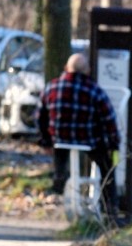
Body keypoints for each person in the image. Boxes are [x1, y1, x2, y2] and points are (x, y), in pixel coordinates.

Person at [38, 53, 121, 222]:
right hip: (88, 141)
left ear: (66, 68)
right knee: (107, 168)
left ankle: (59, 178)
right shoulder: (94, 90)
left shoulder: (51, 87)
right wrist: (114, 143)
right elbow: (109, 119)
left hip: (59, 140)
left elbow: (40, 116)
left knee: (60, 150)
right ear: (87, 71)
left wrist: (45, 140)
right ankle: (110, 209)